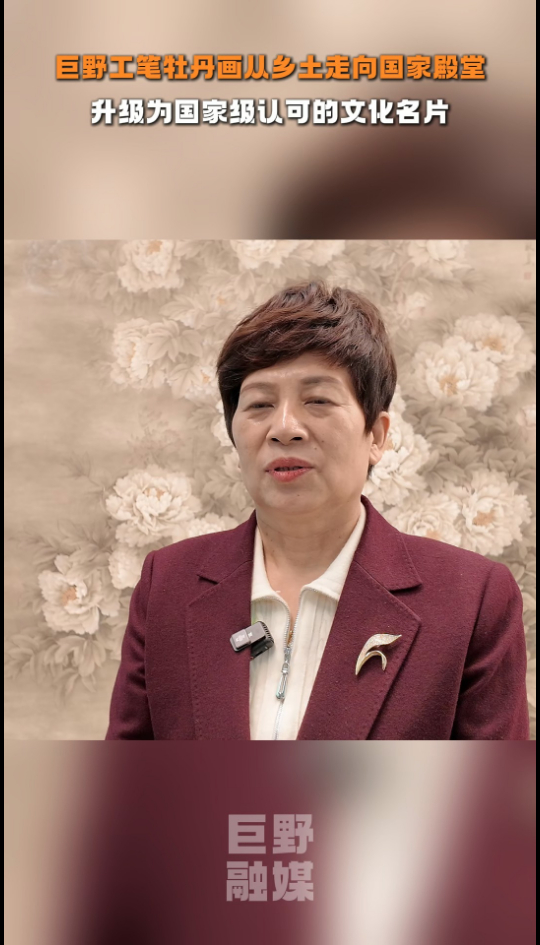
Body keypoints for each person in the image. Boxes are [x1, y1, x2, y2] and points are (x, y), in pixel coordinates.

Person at [106, 282, 529, 740]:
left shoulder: (470, 600)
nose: (285, 428)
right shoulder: (167, 585)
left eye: (318, 401)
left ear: (377, 436)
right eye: (260, 404)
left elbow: (488, 788)